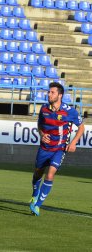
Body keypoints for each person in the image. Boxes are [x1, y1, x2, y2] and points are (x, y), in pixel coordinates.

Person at [29, 82, 84, 216]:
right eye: (49, 92)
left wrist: (73, 143)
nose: (49, 94)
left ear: (60, 95)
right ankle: (35, 194)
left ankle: (37, 206)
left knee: (50, 174)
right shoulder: (44, 109)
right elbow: (39, 124)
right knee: (38, 173)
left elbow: (81, 127)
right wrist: (42, 134)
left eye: (52, 92)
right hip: (44, 148)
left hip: (59, 148)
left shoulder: (69, 111)